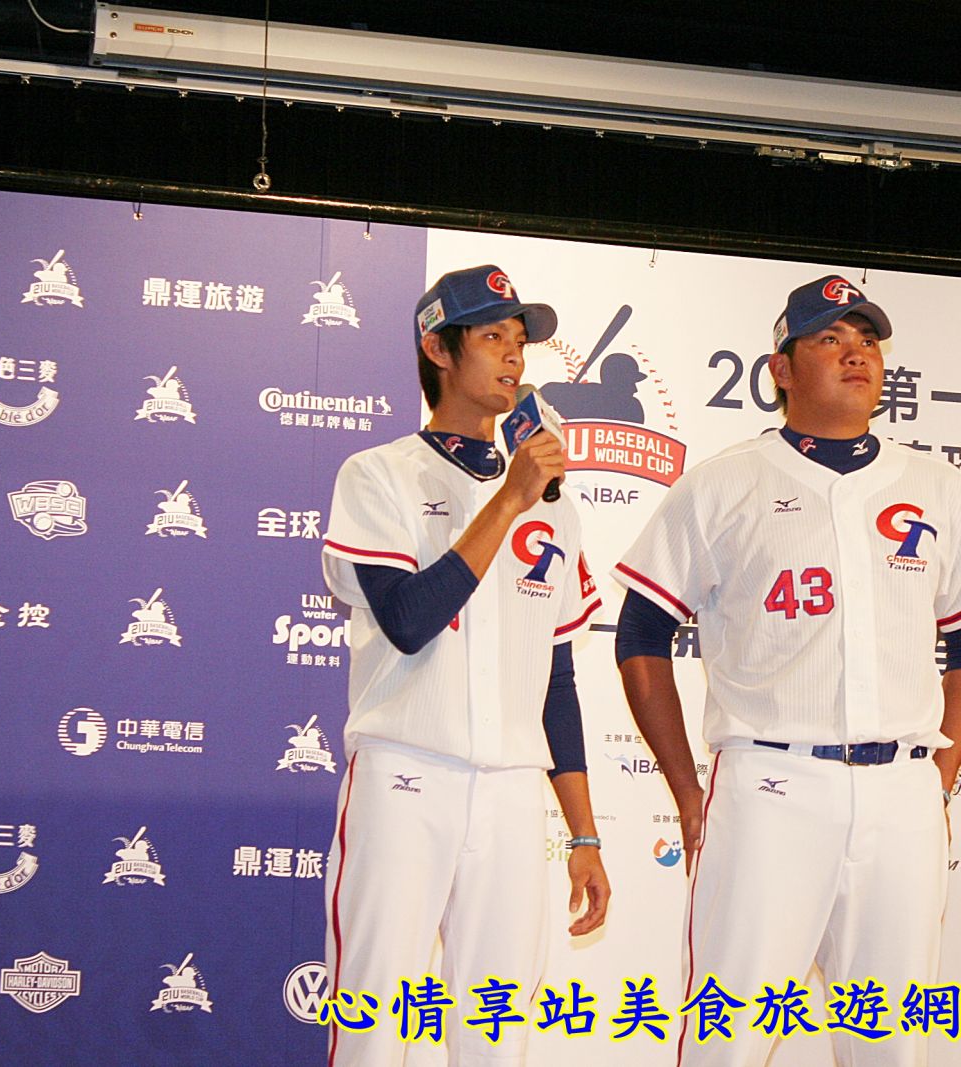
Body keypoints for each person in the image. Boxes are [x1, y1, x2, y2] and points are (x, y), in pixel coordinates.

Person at [613, 274, 961, 1066]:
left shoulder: (938, 487)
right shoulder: (724, 483)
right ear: (781, 369)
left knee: (892, 1042)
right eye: (830, 338)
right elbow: (641, 632)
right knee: (729, 1037)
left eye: (867, 340)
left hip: (903, 791)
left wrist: (938, 778)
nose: (856, 353)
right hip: (772, 785)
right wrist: (687, 790)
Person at [320, 264, 610, 1067]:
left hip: (513, 791)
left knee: (497, 1032)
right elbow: (409, 621)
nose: (514, 356)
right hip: (406, 776)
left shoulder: (553, 506)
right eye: (492, 337)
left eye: (520, 341)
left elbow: (557, 680)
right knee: (375, 1025)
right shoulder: (378, 474)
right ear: (438, 350)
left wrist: (584, 832)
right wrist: (509, 498)